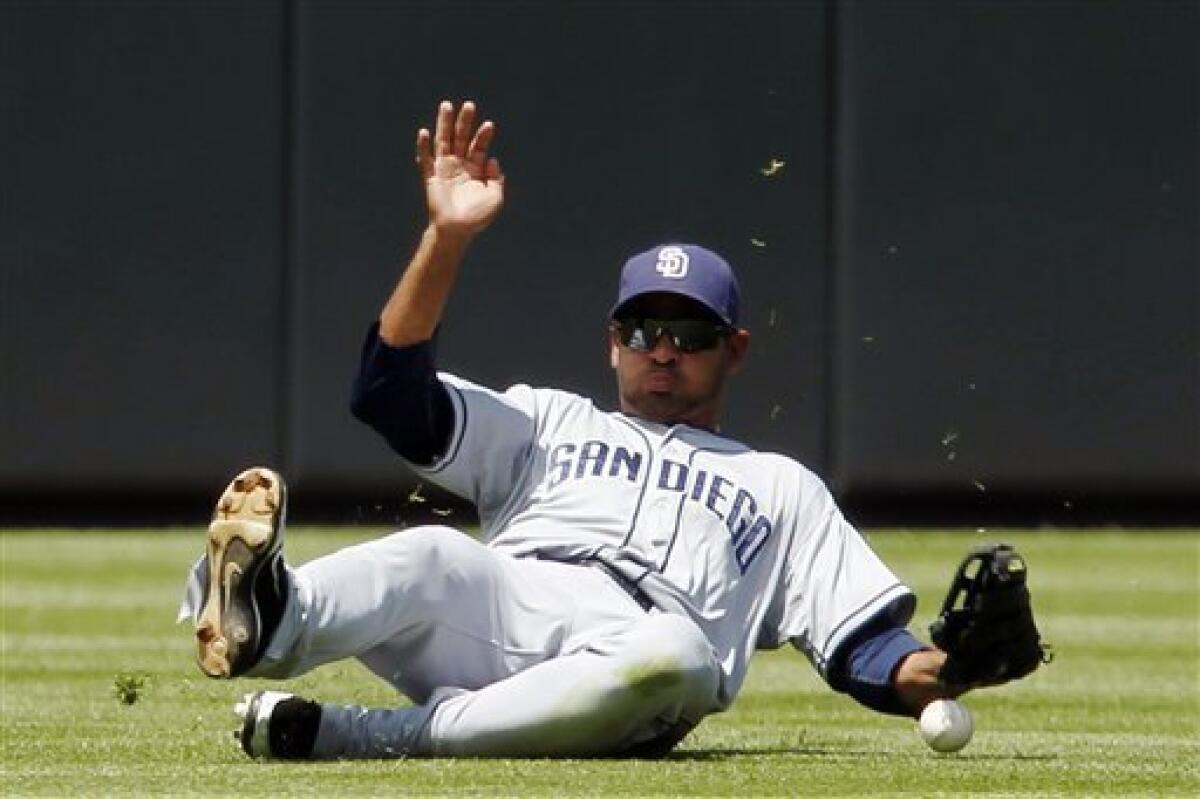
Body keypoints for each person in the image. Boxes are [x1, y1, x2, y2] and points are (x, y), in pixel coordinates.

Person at [181, 100, 1015, 760]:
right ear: (611, 341)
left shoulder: (781, 486)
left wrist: (954, 669)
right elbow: (389, 395)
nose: (663, 351)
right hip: (511, 607)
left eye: (689, 336)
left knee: (675, 651)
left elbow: (867, 651)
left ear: (735, 350)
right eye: (642, 330)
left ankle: (351, 736)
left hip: (637, 660)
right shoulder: (548, 419)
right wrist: (446, 239)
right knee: (432, 553)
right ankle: (270, 616)